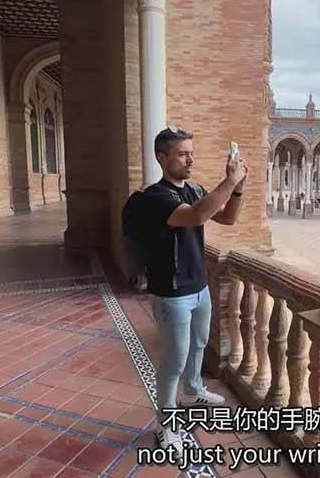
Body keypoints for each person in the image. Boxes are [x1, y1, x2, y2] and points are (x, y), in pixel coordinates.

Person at [134, 126, 249, 453]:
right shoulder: (155, 197)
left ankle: (193, 390)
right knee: (173, 362)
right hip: (172, 293)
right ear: (162, 157)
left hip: (199, 286)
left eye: (191, 153)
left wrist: (238, 189)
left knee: (198, 344)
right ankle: (165, 425)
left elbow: (227, 218)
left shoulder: (195, 188)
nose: (190, 160)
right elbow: (197, 216)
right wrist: (228, 181)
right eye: (183, 154)